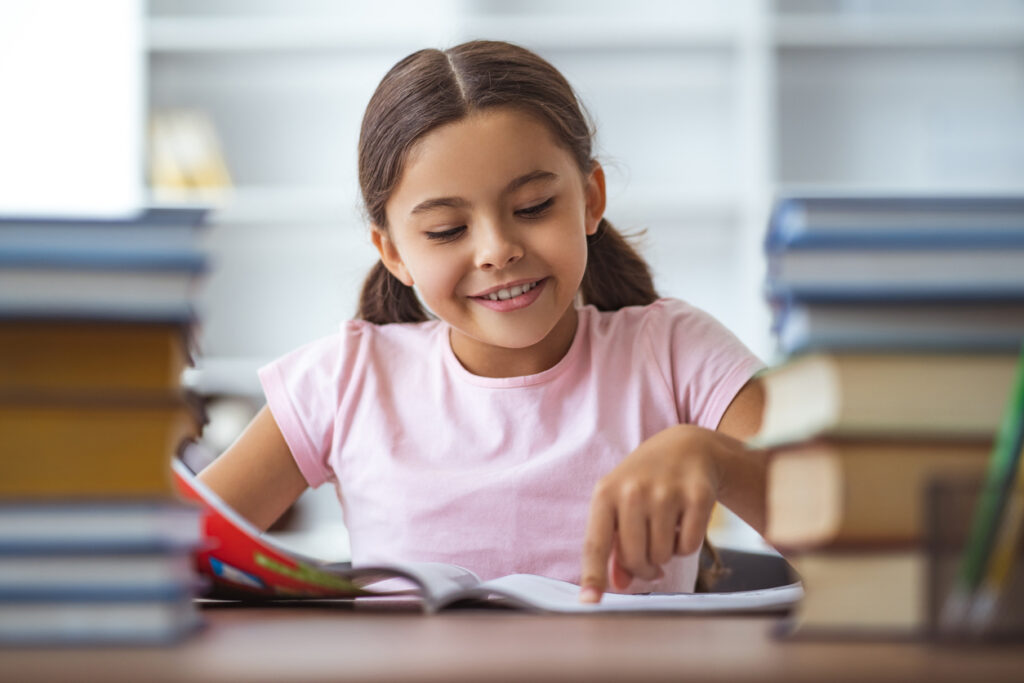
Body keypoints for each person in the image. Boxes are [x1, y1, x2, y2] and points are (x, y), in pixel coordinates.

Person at [199, 40, 767, 604]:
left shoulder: (676, 353)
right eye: (447, 230)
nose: (497, 250)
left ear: (591, 199)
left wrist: (719, 461)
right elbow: (163, 555)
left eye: (533, 207)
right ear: (393, 251)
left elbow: (847, 520)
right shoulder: (341, 382)